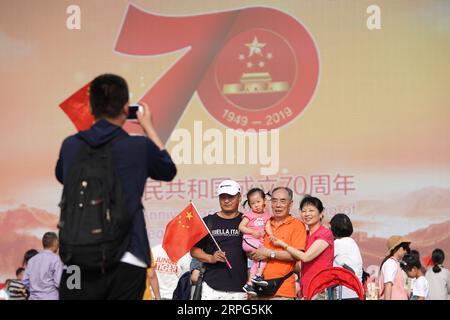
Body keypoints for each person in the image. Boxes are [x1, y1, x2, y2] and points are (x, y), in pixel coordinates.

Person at [56, 74, 177, 299]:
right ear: (125, 108)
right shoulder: (138, 146)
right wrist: (147, 127)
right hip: (128, 256)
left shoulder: (70, 146)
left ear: (91, 108)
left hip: (77, 258)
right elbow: (168, 169)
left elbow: (63, 177)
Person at [190, 180, 248, 300]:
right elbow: (194, 250)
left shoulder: (246, 221)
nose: (226, 200)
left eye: (230, 197)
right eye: (223, 197)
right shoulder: (208, 221)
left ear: (239, 197)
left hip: (240, 290)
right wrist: (211, 258)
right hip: (211, 289)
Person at [269, 195, 334, 299]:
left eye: (311, 210)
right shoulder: (305, 235)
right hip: (305, 287)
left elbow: (305, 257)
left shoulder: (325, 233)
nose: (307, 214)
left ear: (321, 214)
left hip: (321, 289)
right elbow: (300, 265)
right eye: (304, 211)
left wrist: (283, 245)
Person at [251, 187, 307, 300]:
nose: (278, 205)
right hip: (259, 290)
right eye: (274, 200)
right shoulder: (263, 223)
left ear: (290, 204)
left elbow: (296, 255)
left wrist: (269, 253)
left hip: (282, 291)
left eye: (282, 201)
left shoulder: (297, 225)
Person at [238, 187, 272, 296]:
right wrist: (252, 232)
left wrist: (272, 236)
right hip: (248, 241)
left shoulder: (267, 215)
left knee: (258, 260)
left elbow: (268, 227)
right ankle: (259, 275)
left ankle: (249, 284)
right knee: (264, 253)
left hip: (258, 243)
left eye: (258, 202)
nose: (256, 205)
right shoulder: (249, 215)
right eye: (253, 203)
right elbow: (241, 227)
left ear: (264, 201)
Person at [329, 213, 363, 299]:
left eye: (331, 226)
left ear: (335, 228)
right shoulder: (352, 242)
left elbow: (323, 260)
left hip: (344, 294)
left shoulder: (338, 243)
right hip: (356, 292)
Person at [22, 232, 64, 300]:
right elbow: (59, 283)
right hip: (50, 297)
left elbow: (25, 281)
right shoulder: (56, 259)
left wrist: (35, 290)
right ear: (55, 243)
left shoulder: (32, 260)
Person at [378, 235, 411, 300]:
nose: (406, 251)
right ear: (395, 248)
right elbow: (388, 285)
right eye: (404, 248)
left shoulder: (396, 263)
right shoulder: (390, 263)